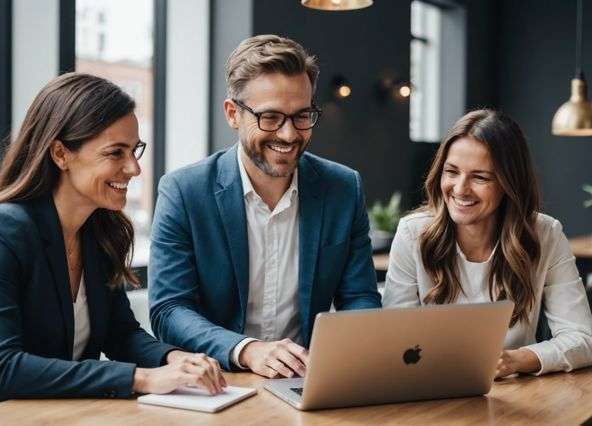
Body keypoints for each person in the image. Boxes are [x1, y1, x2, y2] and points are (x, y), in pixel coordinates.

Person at [0, 73, 225, 414]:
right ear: (60, 154)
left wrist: (174, 358)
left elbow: (120, 334)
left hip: (61, 416)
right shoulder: (1, 232)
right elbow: (3, 369)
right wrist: (141, 379)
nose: (134, 168)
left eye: (135, 150)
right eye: (116, 153)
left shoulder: (98, 232)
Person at [149, 35, 380, 378]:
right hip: (218, 379)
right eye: (270, 118)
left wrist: (339, 355)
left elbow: (360, 297)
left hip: (308, 379)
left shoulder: (344, 188)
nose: (288, 135)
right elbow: (169, 309)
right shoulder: (184, 191)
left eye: (302, 116)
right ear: (233, 114)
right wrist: (247, 350)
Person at [383, 109, 592, 377]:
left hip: (518, 396)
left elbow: (583, 337)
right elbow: (394, 340)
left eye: (480, 177)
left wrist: (515, 360)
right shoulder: (413, 233)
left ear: (509, 183)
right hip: (430, 388)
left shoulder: (545, 234)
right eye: (452, 172)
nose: (460, 189)